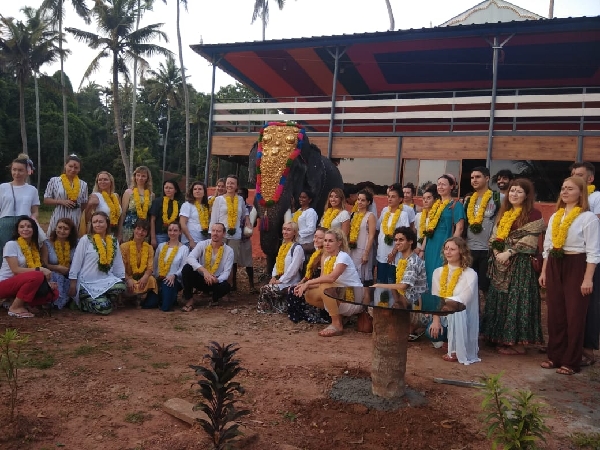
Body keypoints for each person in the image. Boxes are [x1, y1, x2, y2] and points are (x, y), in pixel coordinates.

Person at [540, 177, 600, 375]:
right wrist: (544, 271)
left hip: (577, 264)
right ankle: (554, 356)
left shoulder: (588, 217)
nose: (564, 192)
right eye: (563, 188)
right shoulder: (556, 216)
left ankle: (571, 361)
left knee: (574, 315)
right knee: (556, 313)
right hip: (555, 264)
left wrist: (587, 278)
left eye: (570, 189)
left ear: (580, 193)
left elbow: (593, 251)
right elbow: (548, 246)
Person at [482, 178, 545, 354]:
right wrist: (497, 253)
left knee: (517, 300)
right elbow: (495, 236)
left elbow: (530, 240)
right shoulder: (503, 213)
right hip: (500, 263)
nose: (514, 194)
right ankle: (499, 337)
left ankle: (518, 344)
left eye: (519, 191)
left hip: (520, 264)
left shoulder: (534, 214)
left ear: (526, 195)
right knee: (500, 299)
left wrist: (509, 253)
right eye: (512, 191)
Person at [294, 228, 364, 337]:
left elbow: (331, 278)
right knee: (309, 295)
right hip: (340, 294)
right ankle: (340, 318)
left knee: (326, 286)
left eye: (331, 241)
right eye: (325, 240)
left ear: (339, 243)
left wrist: (308, 283)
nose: (327, 243)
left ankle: (337, 325)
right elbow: (322, 279)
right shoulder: (327, 259)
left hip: (355, 298)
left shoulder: (343, 257)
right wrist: (304, 286)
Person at [428, 237, 480, 365]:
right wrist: (436, 320)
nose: (448, 252)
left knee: (456, 308)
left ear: (461, 252)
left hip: (463, 316)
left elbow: (463, 300)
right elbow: (436, 298)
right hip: (443, 314)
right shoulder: (438, 272)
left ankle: (457, 347)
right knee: (431, 331)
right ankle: (448, 341)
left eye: (452, 249)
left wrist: (449, 304)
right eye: (446, 249)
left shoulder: (470, 274)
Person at [570, 161, 600, 366]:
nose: (574, 177)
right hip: (573, 258)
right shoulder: (571, 198)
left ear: (590, 179)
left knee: (590, 302)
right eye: (572, 175)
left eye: (579, 175)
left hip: (591, 256)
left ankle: (587, 349)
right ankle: (569, 344)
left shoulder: (596, 197)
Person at [421, 174, 466, 311]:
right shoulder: (435, 206)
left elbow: (460, 228)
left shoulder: (455, 205)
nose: (440, 186)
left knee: (441, 279)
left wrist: (451, 248)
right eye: (438, 184)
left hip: (444, 246)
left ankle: (440, 316)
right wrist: (422, 249)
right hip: (431, 246)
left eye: (444, 184)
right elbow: (428, 228)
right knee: (428, 278)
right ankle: (427, 316)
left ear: (451, 187)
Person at [68, 211, 126, 315]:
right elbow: (76, 262)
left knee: (121, 286)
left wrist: (121, 279)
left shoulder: (113, 240)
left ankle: (102, 298)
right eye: (95, 222)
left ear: (107, 223)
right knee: (105, 309)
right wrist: (73, 284)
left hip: (105, 280)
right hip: (86, 283)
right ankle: (83, 304)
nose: (97, 224)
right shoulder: (86, 239)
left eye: (100, 221)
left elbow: (118, 263)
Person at [0, 216, 58, 318]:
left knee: (53, 292)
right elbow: (15, 270)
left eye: (29, 226)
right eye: (21, 227)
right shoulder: (11, 244)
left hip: (21, 284)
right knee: (37, 275)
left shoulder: (33, 247)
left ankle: (15, 301)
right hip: (5, 283)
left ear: (34, 230)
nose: (25, 229)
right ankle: (15, 308)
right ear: (17, 230)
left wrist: (46, 282)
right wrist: (39, 269)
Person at [463, 167, 501, 312]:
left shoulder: (498, 198)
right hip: (470, 250)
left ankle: (489, 323)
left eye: (478, 177)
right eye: (472, 177)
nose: (474, 180)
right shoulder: (468, 200)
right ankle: (475, 321)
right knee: (471, 290)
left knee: (487, 289)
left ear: (487, 178)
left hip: (488, 250)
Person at [209, 175, 249, 292]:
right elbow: (214, 218)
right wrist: (213, 234)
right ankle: (214, 287)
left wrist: (247, 221)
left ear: (237, 186)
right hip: (220, 234)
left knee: (231, 262)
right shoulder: (219, 199)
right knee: (217, 259)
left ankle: (228, 288)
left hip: (235, 235)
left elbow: (244, 212)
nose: (229, 185)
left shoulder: (240, 200)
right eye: (228, 183)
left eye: (232, 183)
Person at [181, 223, 234, 309]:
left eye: (218, 231)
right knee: (187, 268)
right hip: (201, 278)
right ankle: (189, 300)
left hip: (215, 281)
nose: (215, 233)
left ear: (223, 234)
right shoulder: (203, 244)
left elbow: (226, 272)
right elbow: (190, 258)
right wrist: (204, 271)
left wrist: (217, 279)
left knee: (226, 286)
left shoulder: (229, 251)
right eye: (213, 231)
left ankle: (214, 299)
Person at [0, 154, 42, 260]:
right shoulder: (3, 187)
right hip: (5, 223)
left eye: (20, 170)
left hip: (24, 225)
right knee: (4, 252)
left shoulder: (32, 190)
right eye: (14, 169)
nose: (16, 173)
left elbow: (35, 211)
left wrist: (32, 221)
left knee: (22, 253)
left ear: (27, 171)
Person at [373, 226, 427, 308]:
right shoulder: (402, 260)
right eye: (395, 240)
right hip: (405, 303)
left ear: (410, 241)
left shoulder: (414, 261)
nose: (397, 243)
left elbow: (403, 286)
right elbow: (398, 286)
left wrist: (379, 285)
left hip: (415, 307)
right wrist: (397, 302)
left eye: (401, 240)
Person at [286, 227, 331, 324]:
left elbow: (322, 279)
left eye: (320, 238)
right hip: (311, 282)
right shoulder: (316, 253)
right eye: (315, 237)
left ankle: (313, 316)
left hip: (318, 285)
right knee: (293, 288)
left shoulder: (326, 255)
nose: (316, 240)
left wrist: (306, 286)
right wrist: (300, 283)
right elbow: (308, 275)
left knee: (296, 292)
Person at [258, 222, 304, 313]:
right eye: (284, 229)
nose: (285, 232)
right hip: (280, 279)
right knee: (265, 288)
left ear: (294, 233)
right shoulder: (283, 247)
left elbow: (293, 269)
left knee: (266, 289)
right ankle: (273, 309)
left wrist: (281, 280)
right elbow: (277, 264)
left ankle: (279, 308)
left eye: (288, 230)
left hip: (291, 281)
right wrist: (274, 277)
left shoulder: (297, 248)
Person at [145, 222, 190, 312]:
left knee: (165, 307)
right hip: (160, 278)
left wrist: (174, 276)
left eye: (175, 230)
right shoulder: (161, 246)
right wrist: (155, 278)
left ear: (180, 232)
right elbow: (155, 263)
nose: (172, 233)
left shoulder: (184, 249)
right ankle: (164, 296)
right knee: (148, 305)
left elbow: (183, 267)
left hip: (173, 280)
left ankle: (169, 297)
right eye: (170, 230)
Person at [43, 154, 88, 235]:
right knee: (54, 239)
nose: (73, 169)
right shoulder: (54, 181)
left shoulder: (83, 185)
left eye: (76, 167)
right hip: (58, 215)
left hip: (75, 217)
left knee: (72, 241)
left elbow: (84, 205)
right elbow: (46, 200)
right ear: (65, 166)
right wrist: (61, 202)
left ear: (79, 169)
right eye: (70, 166)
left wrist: (82, 220)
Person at [375, 183, 410, 284]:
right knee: (380, 282)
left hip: (394, 255)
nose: (390, 199)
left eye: (393, 197)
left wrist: (394, 252)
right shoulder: (385, 211)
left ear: (400, 199)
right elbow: (378, 229)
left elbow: (404, 236)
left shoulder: (403, 215)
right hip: (382, 253)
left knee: (392, 284)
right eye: (389, 196)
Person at [41, 217, 78, 309]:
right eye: (60, 227)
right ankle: (55, 301)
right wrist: (57, 267)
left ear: (71, 231)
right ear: (55, 228)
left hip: (71, 274)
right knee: (55, 275)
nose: (62, 231)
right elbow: (44, 265)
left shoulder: (76, 243)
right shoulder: (47, 243)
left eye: (66, 229)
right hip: (54, 273)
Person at [120, 219, 158, 307]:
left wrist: (145, 277)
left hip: (141, 279)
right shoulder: (124, 247)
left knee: (151, 279)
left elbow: (150, 267)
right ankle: (128, 298)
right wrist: (128, 279)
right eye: (138, 228)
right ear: (134, 229)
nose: (140, 232)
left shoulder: (149, 248)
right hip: (127, 278)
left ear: (147, 233)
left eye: (144, 230)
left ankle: (135, 298)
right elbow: (120, 268)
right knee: (123, 284)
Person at [117, 166, 154, 243]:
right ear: (135, 176)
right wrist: (119, 233)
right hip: (129, 227)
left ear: (147, 178)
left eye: (143, 176)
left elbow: (150, 216)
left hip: (143, 229)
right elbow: (123, 214)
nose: (140, 178)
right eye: (138, 175)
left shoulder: (151, 195)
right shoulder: (128, 192)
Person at [348, 189, 377, 286]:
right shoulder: (353, 214)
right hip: (352, 249)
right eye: (358, 199)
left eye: (363, 200)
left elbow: (372, 235)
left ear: (368, 202)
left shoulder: (370, 216)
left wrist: (366, 253)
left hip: (364, 249)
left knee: (361, 278)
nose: (359, 202)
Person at [85, 171, 121, 235]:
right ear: (97, 182)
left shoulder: (116, 196)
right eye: (100, 180)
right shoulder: (95, 196)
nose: (102, 182)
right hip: (100, 232)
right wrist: (90, 205)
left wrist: (119, 233)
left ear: (111, 182)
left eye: (105, 179)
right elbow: (87, 218)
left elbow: (120, 217)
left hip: (114, 232)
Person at [150, 179, 182, 249]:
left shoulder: (178, 204)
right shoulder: (157, 201)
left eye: (170, 188)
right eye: (166, 188)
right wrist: (153, 238)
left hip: (174, 235)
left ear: (175, 190)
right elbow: (152, 220)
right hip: (160, 235)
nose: (168, 190)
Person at [238, 187, 258, 293]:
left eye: (242, 194)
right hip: (235, 239)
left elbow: (254, 224)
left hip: (245, 240)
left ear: (246, 196)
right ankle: (233, 286)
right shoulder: (234, 206)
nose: (240, 196)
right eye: (238, 194)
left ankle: (251, 286)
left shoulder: (251, 209)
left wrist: (251, 221)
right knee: (232, 263)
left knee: (248, 263)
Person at [180, 181, 210, 249]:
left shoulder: (206, 207)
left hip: (203, 241)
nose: (197, 191)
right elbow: (182, 224)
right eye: (195, 189)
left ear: (204, 192)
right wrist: (190, 240)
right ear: (192, 192)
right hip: (190, 242)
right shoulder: (187, 205)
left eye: (200, 189)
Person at [414, 185, 439, 258]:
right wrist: (415, 247)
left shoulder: (436, 217)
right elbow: (414, 233)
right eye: (423, 198)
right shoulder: (418, 216)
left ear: (435, 200)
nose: (425, 200)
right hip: (418, 251)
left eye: (429, 198)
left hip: (431, 250)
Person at [291, 189, 318, 255]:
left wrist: (297, 233)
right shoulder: (299, 211)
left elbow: (311, 228)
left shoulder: (311, 212)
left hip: (306, 243)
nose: (301, 199)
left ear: (309, 200)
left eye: (304, 197)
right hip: (297, 242)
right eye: (300, 197)